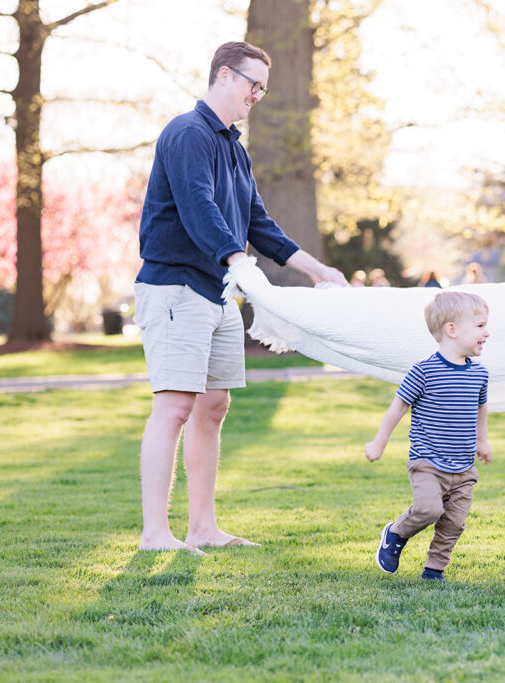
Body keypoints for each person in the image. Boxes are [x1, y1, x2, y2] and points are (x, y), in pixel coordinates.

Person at [134, 41, 347, 555]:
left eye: (264, 89)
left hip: (218, 291)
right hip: (175, 287)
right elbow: (197, 206)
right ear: (224, 76)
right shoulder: (188, 133)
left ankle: (203, 527)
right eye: (254, 84)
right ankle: (155, 535)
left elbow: (257, 223)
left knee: (213, 406)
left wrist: (317, 270)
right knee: (176, 406)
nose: (258, 95)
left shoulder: (234, 146)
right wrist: (236, 260)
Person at [365, 291, 492, 581]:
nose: (487, 332)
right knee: (430, 509)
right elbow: (398, 407)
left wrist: (482, 441)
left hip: (463, 467)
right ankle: (396, 533)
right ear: (452, 329)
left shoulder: (479, 374)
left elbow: (481, 407)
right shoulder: (423, 372)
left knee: (454, 522)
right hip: (428, 462)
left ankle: (434, 569)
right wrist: (378, 443)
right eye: (480, 326)